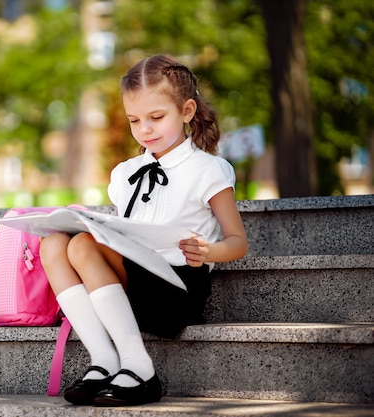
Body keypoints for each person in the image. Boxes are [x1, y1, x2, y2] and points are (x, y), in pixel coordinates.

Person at [40, 53, 248, 407]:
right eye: (134, 120)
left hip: (177, 286)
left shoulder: (208, 170)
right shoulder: (124, 172)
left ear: (187, 111)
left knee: (82, 247)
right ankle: (104, 361)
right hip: (131, 285)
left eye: (156, 117)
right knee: (52, 243)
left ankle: (141, 369)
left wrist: (207, 251)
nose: (144, 130)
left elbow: (238, 242)